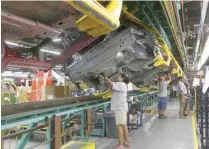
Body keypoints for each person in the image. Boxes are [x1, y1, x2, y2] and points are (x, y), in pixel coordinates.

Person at [101, 73, 130, 149]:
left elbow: (111, 83)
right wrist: (107, 82)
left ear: (122, 79)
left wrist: (105, 77)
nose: (117, 76)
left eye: (119, 76)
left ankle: (121, 145)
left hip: (120, 108)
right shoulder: (121, 85)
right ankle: (126, 142)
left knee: (119, 126)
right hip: (122, 108)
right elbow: (110, 88)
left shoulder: (121, 84)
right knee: (124, 126)